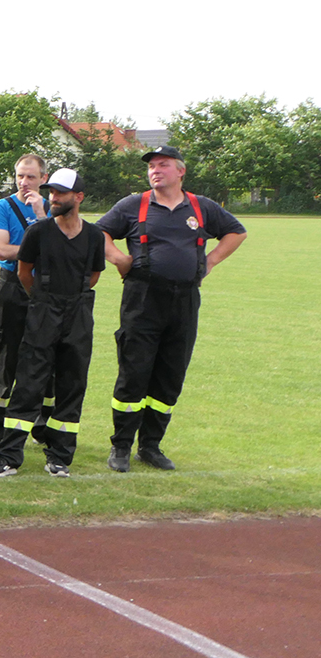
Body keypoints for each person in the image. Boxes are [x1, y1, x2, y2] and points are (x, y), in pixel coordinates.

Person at [95, 145, 246, 472]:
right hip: (143, 299)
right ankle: (121, 446)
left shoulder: (201, 207)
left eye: (163, 165)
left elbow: (237, 232)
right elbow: (99, 233)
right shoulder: (133, 205)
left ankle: (150, 446)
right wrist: (119, 258)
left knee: (170, 376)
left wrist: (211, 260)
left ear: (181, 171)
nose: (155, 171)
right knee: (134, 373)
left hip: (185, 301)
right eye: (151, 166)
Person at [0, 168, 104, 478]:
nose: (54, 197)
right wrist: (42, 300)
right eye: (51, 191)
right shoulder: (39, 232)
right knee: (28, 381)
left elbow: (93, 276)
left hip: (77, 312)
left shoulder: (93, 235)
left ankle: (60, 456)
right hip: (42, 310)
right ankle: (8, 456)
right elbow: (25, 272)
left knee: (71, 383)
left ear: (78, 197)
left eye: (61, 193)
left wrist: (72, 298)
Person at [0, 153, 50, 449]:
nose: (24, 182)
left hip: (46, 289)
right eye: (20, 176)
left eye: (31, 177)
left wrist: (42, 215)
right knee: (7, 355)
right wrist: (38, 248)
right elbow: (2, 250)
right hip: (12, 287)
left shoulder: (51, 207)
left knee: (45, 355)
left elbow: (64, 246)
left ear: (43, 179)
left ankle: (43, 425)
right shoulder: (2, 207)